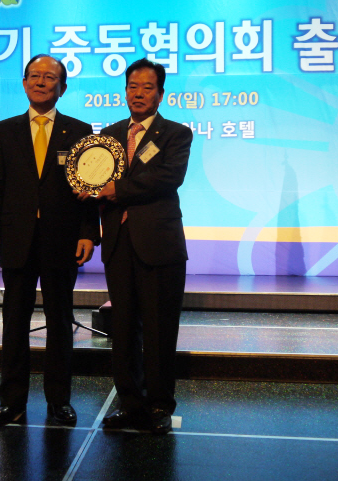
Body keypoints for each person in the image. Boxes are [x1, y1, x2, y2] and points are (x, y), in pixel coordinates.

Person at [0, 54, 99, 427]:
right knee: (14, 322)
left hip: (62, 239)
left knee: (60, 322)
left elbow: (89, 187)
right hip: (16, 239)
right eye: (34, 76)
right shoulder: (4, 130)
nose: (41, 82)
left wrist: (87, 233)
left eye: (49, 77)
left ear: (62, 88)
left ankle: (59, 402)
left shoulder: (80, 130)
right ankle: (12, 401)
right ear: (24, 83)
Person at [88, 58, 192, 434]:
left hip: (159, 246)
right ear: (125, 90)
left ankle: (160, 406)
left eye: (147, 87)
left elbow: (166, 178)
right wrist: (85, 189)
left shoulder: (176, 134)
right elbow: (95, 177)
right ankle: (131, 405)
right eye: (133, 86)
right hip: (119, 245)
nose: (139, 93)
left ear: (161, 94)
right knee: (124, 329)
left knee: (160, 330)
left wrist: (117, 189)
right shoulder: (110, 134)